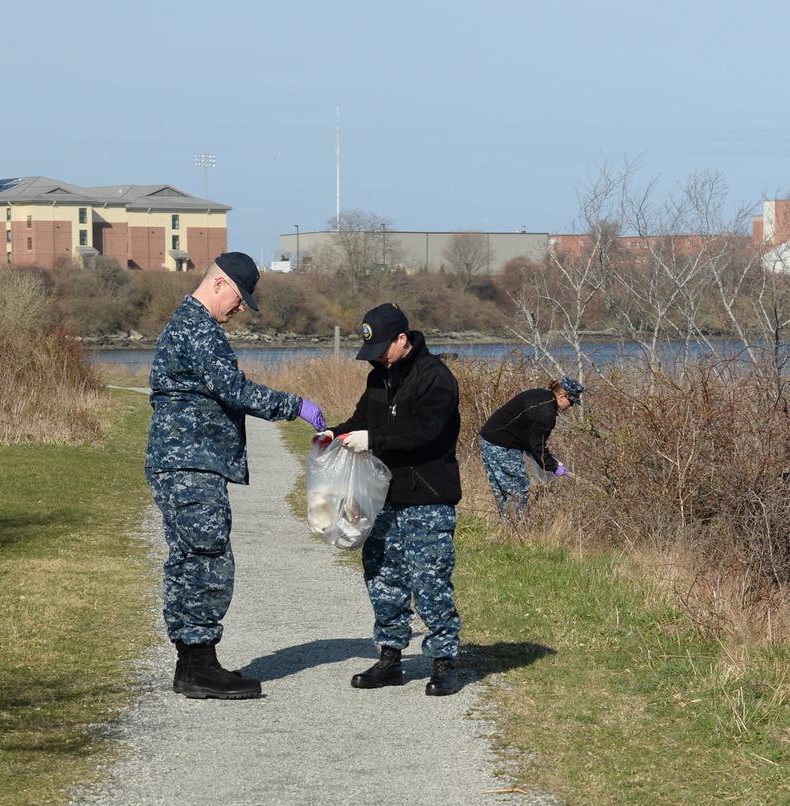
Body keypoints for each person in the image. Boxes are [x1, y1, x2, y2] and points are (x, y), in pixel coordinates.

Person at [145, 252, 326, 699]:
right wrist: (294, 406)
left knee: (189, 558)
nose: (241, 308)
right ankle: (200, 664)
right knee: (207, 558)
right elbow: (234, 389)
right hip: (191, 462)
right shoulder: (198, 328)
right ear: (220, 283)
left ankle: (191, 664)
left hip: (184, 460)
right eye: (240, 298)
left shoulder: (189, 324)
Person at [318, 303, 463, 697]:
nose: (378, 357)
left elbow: (427, 432)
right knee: (383, 578)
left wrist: (374, 441)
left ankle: (445, 661)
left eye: (383, 348)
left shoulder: (436, 378)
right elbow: (360, 422)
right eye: (372, 351)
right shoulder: (377, 378)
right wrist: (334, 434)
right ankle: (391, 658)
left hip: (428, 500)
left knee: (430, 582)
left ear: (403, 339)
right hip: (382, 498)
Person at [478, 375, 583, 519]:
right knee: (519, 487)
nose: (571, 406)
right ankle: (511, 529)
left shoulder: (541, 396)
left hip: (489, 439)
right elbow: (536, 446)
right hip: (502, 445)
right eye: (571, 402)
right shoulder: (545, 412)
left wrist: (550, 462)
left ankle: (506, 527)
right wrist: (554, 467)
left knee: (505, 490)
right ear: (562, 396)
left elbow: (530, 438)